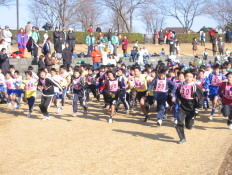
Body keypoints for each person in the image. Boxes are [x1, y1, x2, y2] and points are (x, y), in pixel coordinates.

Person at [175, 70, 204, 144]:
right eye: (187, 76)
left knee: (188, 126)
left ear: (193, 78)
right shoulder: (181, 85)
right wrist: (176, 99)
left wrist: (199, 105)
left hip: (192, 106)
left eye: (190, 77)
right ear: (184, 77)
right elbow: (178, 94)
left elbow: (200, 96)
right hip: (183, 106)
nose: (188, 78)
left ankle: (191, 121)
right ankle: (182, 138)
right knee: (179, 122)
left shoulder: (195, 86)